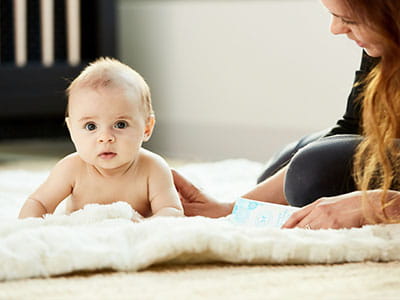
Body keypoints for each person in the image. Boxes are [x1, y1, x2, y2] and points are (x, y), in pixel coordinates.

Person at [172, 0, 400, 229]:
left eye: (349, 20)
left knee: (311, 172)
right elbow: (354, 125)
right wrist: (232, 209)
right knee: (284, 168)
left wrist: (385, 203)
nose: (335, 29)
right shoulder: (386, 41)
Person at [19, 58, 184, 220]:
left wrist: (144, 226)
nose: (105, 138)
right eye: (91, 126)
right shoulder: (71, 169)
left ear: (147, 128)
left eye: (120, 124)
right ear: (72, 130)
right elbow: (38, 202)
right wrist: (29, 227)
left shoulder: (153, 169)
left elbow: (171, 210)